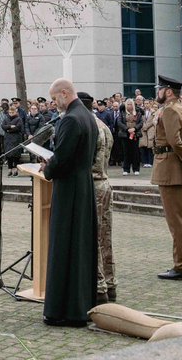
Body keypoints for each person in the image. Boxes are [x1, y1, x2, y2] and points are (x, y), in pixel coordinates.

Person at [39, 79, 98, 327]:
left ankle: (62, 310)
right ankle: (79, 307)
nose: (54, 104)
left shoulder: (71, 119)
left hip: (69, 190)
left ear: (65, 94)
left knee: (65, 247)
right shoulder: (87, 116)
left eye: (55, 99)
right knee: (79, 247)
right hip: (83, 186)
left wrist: (47, 167)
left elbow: (61, 157)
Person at [152, 75, 182, 281]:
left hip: (170, 167)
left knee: (176, 222)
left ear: (168, 91)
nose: (157, 92)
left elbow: (175, 141)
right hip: (179, 169)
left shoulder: (170, 110)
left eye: (160, 89)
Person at [80, 93, 116, 304]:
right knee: (105, 237)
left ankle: (99, 286)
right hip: (105, 182)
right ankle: (110, 284)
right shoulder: (103, 125)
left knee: (94, 237)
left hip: (93, 184)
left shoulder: (89, 127)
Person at [0, 103, 24, 175]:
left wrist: (8, 129)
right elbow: (3, 126)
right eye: (10, 112)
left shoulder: (18, 119)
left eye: (12, 112)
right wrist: (10, 126)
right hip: (7, 139)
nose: (11, 114)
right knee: (8, 154)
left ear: (15, 112)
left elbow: (18, 127)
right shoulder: (6, 118)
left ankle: (15, 169)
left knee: (15, 155)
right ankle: (9, 169)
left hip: (16, 139)